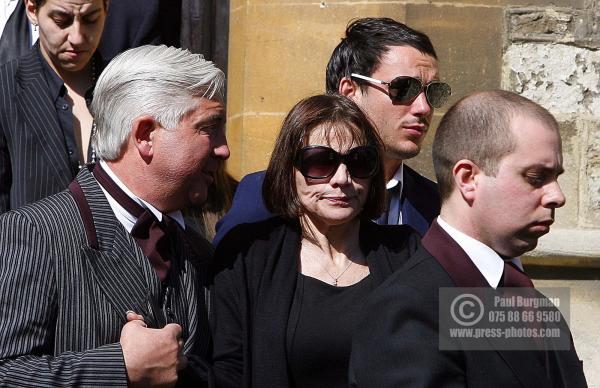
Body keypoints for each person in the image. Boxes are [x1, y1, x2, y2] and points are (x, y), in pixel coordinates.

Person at [0, 45, 229, 386]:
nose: (224, 149)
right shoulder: (35, 232)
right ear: (145, 135)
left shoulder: (201, 253)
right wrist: (119, 367)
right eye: (208, 128)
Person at [349, 90, 587, 387]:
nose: (557, 197)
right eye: (536, 177)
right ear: (468, 179)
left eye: (556, 178)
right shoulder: (408, 309)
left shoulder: (530, 301)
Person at [210, 94, 420, 388]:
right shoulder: (247, 254)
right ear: (289, 169)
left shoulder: (407, 250)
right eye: (320, 162)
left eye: (359, 162)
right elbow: (228, 369)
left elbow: (476, 329)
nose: (342, 178)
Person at [213, 17, 451, 244]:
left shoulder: (440, 206)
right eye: (404, 88)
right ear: (350, 92)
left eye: (434, 92)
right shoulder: (269, 194)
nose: (423, 107)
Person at [0, 0, 108, 214]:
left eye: (91, 19)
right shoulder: (6, 88)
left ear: (107, 9)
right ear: (32, 10)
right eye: (61, 20)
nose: (77, 37)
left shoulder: (127, 86)